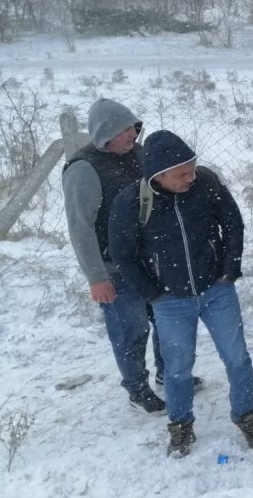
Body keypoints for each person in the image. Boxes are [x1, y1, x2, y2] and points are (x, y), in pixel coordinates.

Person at [108, 130, 253, 458]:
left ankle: (246, 415)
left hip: (216, 290)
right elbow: (121, 254)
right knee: (178, 367)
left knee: (237, 358)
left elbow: (233, 222)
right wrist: (152, 293)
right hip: (170, 301)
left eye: (192, 169)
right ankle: (181, 426)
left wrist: (230, 268)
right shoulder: (132, 201)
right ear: (159, 175)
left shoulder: (206, 182)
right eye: (182, 174)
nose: (190, 178)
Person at [62, 98, 173, 414]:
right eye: (125, 130)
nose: (133, 135)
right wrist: (96, 277)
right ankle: (137, 389)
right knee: (131, 329)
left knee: (167, 319)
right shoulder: (83, 169)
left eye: (134, 128)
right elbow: (79, 227)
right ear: (104, 132)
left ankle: (170, 373)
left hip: (152, 259)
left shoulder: (139, 154)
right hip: (114, 267)